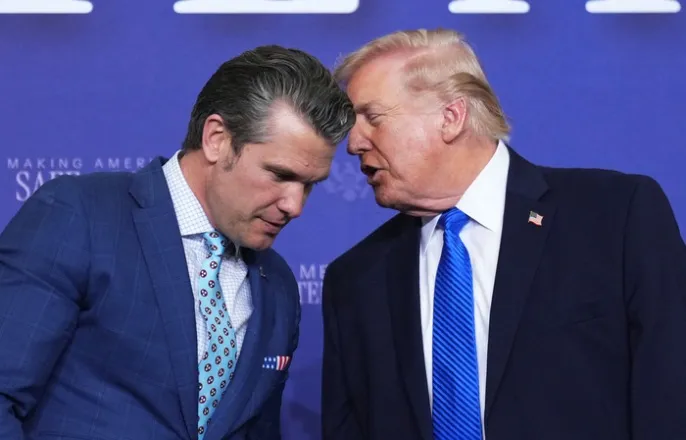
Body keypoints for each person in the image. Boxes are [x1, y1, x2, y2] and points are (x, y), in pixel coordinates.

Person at [321, 28, 686, 440]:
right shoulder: (355, 279)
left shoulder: (615, 217)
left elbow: (671, 394)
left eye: (372, 118)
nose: (353, 143)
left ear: (450, 117)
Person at [0, 45, 354, 440]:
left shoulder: (279, 286)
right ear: (217, 138)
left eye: (309, 185)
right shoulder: (80, 216)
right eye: (280, 174)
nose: (295, 205)